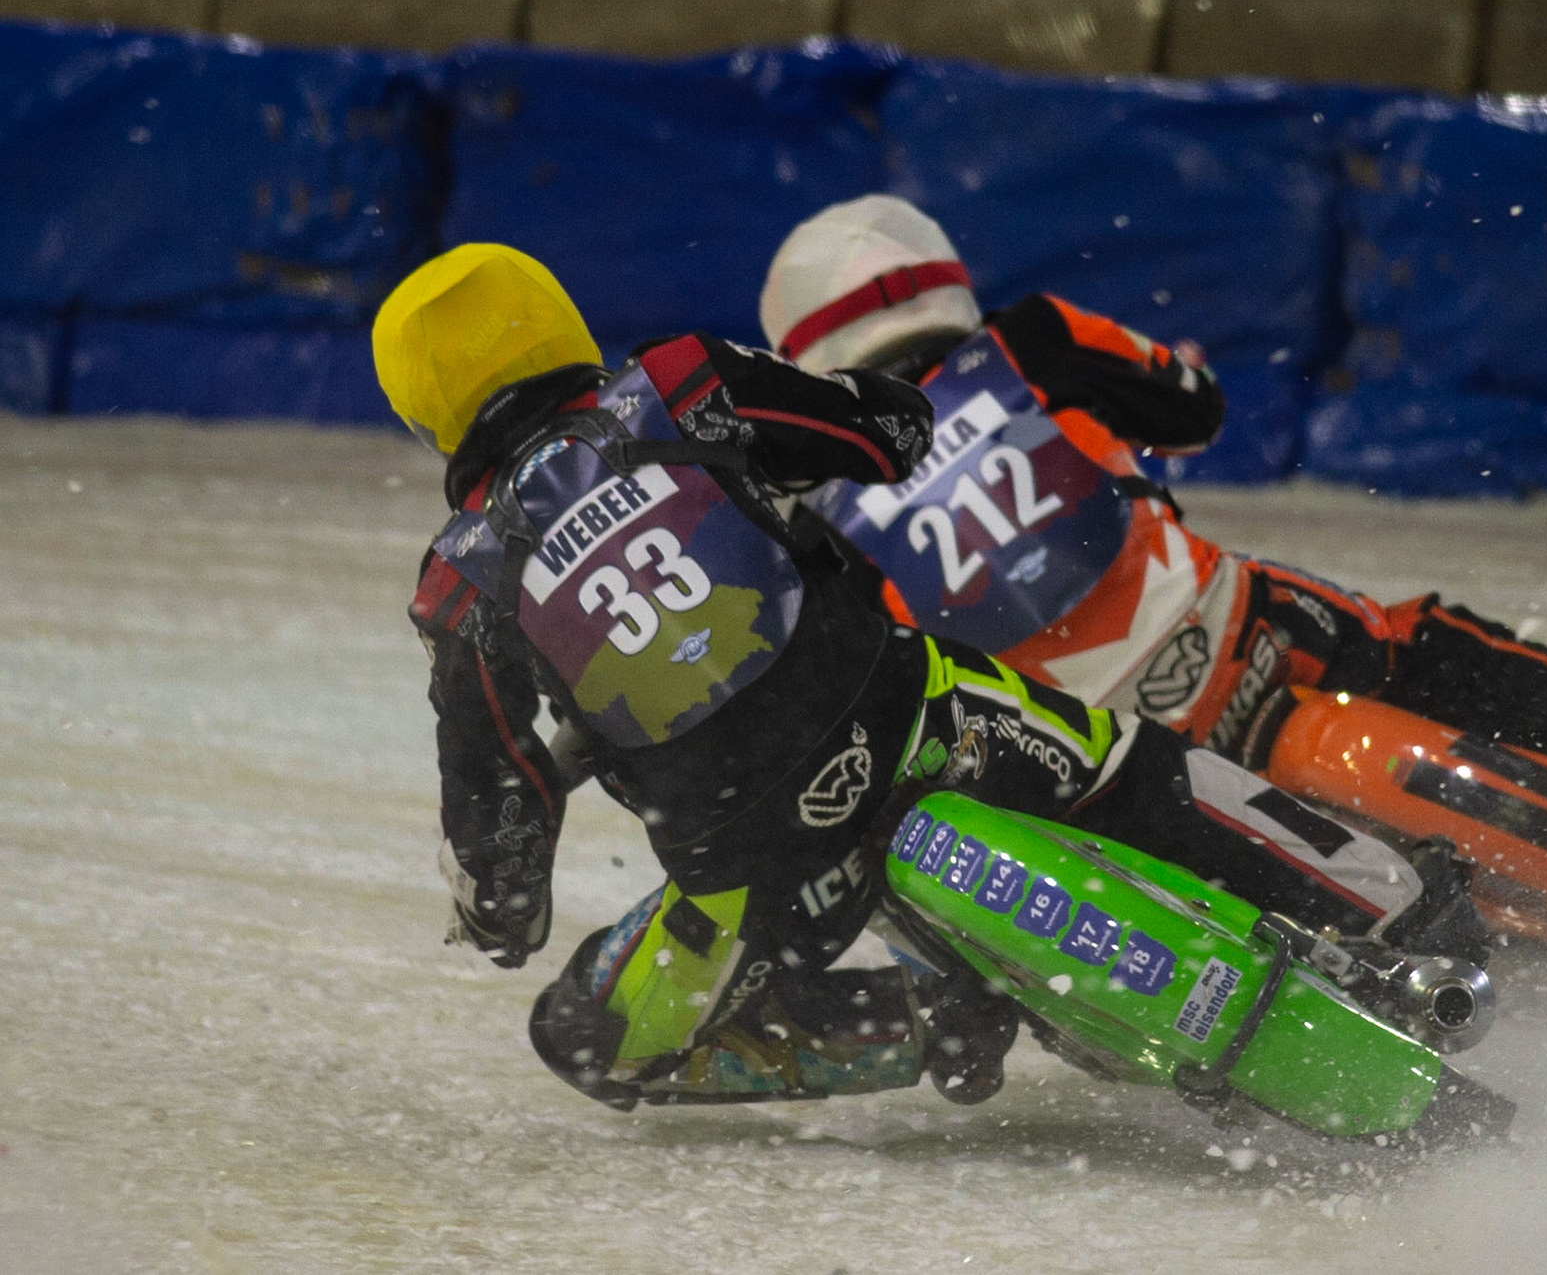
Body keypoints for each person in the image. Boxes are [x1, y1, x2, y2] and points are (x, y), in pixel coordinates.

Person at [375, 243, 1486, 1115]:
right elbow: (887, 428)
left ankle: (934, 1017)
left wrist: (496, 916)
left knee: (582, 1035)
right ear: (558, 321)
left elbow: (497, 845)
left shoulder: (459, 585)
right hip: (920, 720)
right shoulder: (672, 387)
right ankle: (1403, 901)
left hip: (758, 874)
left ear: (423, 407)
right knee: (1134, 771)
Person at [759, 194, 1547, 814]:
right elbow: (1193, 410)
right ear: (937, 278)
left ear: (809, 347)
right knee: (1415, 641)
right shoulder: (1034, 336)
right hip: (1233, 626)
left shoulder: (822, 511)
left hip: (1088, 752)